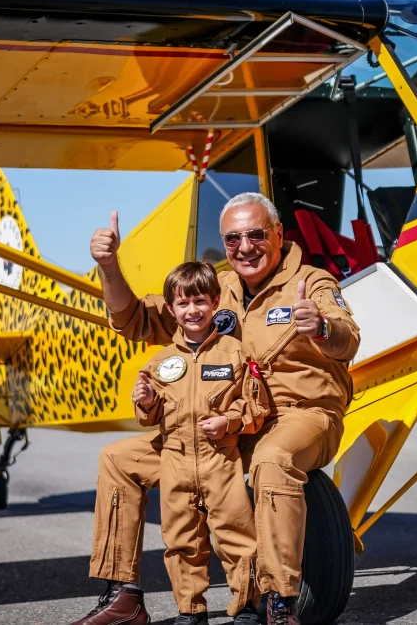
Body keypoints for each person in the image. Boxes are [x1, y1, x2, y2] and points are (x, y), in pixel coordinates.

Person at [73, 193, 360, 625]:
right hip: (222, 428)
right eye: (232, 239)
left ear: (279, 234)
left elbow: (348, 340)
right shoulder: (215, 289)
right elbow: (135, 319)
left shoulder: (312, 283)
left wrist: (319, 326)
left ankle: (280, 603)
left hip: (297, 416)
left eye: (256, 234)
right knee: (119, 459)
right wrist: (109, 266)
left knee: (273, 459)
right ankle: (124, 596)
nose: (245, 247)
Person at [131, 261, 268, 625]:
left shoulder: (234, 353)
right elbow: (150, 413)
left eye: (200, 302)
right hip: (175, 461)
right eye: (183, 304)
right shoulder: (160, 363)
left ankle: (246, 607)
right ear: (171, 309)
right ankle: (190, 610)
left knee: (237, 537)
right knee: (181, 540)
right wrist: (145, 400)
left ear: (216, 302)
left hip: (220, 460)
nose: (193, 311)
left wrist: (230, 422)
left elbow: (255, 403)